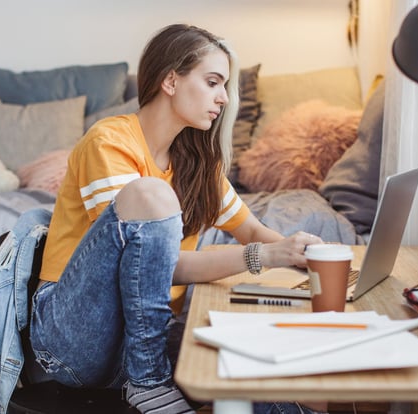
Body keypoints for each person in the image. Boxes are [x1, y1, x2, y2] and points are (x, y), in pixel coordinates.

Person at [30, 24, 326, 414]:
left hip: (143, 338)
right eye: (213, 82)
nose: (222, 98)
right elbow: (146, 269)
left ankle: (150, 375)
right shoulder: (108, 142)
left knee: (275, 374)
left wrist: (305, 256)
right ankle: (149, 381)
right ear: (171, 80)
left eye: (224, 86)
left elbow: (250, 229)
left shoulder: (195, 163)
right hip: (74, 340)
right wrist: (265, 257)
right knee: (150, 194)